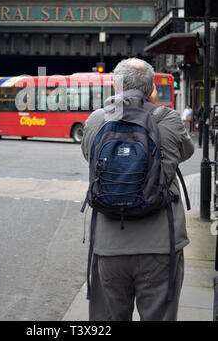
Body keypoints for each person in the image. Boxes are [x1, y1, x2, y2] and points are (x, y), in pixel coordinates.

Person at [81, 58, 194, 321]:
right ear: (152, 87)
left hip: (109, 247)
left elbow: (90, 156)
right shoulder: (169, 120)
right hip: (160, 247)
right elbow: (184, 153)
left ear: (114, 85)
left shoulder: (97, 120)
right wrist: (151, 110)